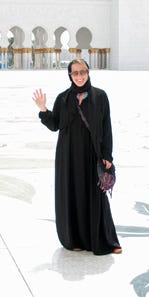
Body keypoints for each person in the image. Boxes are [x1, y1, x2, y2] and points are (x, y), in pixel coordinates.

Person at [32, 58, 121, 255]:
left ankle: (106, 240)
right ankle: (75, 239)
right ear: (70, 76)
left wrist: (107, 155)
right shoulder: (63, 98)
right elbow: (55, 125)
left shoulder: (100, 96)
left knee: (96, 195)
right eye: (75, 73)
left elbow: (106, 127)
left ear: (88, 73)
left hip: (92, 154)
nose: (79, 76)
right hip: (68, 156)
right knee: (73, 193)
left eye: (83, 72)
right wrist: (43, 109)